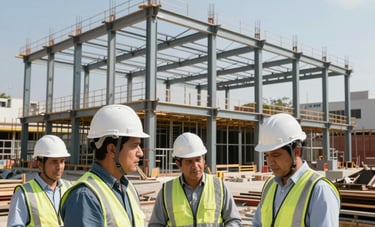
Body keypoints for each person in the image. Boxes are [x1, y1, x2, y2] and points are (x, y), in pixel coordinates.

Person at [60, 104, 149, 226]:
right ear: (112, 149)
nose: (140, 153)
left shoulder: (128, 188)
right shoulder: (85, 196)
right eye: (134, 146)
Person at [252, 113, 341, 227]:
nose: (270, 162)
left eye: (276, 155)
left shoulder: (319, 190)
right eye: (267, 155)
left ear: (296, 152)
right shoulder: (270, 186)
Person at [148, 132, 242, 227]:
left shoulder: (219, 187)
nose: (195, 166)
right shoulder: (167, 191)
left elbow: (234, 220)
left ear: (204, 160)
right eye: (189, 162)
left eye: (198, 160)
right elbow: (156, 224)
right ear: (178, 164)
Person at [7, 134, 72, 227]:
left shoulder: (70, 189)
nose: (59, 167)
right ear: (40, 164)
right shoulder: (23, 194)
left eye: (62, 161)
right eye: (54, 161)